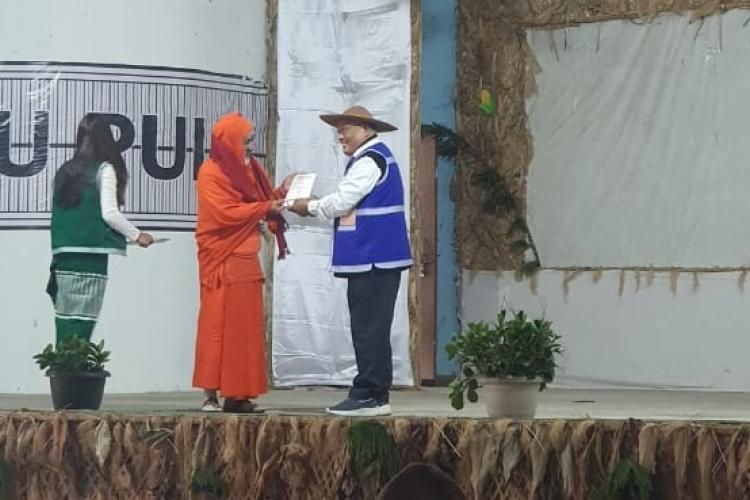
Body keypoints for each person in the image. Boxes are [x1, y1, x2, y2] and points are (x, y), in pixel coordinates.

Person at [289, 105, 412, 417]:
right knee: (370, 327)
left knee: (369, 328)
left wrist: (311, 205)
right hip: (373, 257)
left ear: (367, 131)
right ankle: (372, 393)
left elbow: (343, 202)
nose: (340, 134)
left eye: (346, 128)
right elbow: (347, 201)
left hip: (374, 256)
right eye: (338, 128)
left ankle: (369, 394)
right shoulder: (370, 158)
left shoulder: (370, 159)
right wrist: (315, 203)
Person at [192, 112, 294, 413]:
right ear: (229, 141)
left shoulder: (250, 168)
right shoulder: (210, 172)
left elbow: (258, 205)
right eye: (245, 140)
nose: (250, 146)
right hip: (222, 259)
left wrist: (284, 191)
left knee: (245, 331)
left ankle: (238, 395)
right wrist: (266, 205)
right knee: (216, 327)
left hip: (246, 258)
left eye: (250, 140)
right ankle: (210, 395)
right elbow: (226, 213)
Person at [48, 114, 154, 345]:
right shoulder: (104, 170)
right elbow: (110, 214)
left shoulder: (64, 170)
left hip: (63, 258)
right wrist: (137, 234)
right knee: (83, 322)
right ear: (107, 139)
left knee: (66, 320)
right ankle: (75, 375)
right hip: (90, 259)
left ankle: (62, 375)